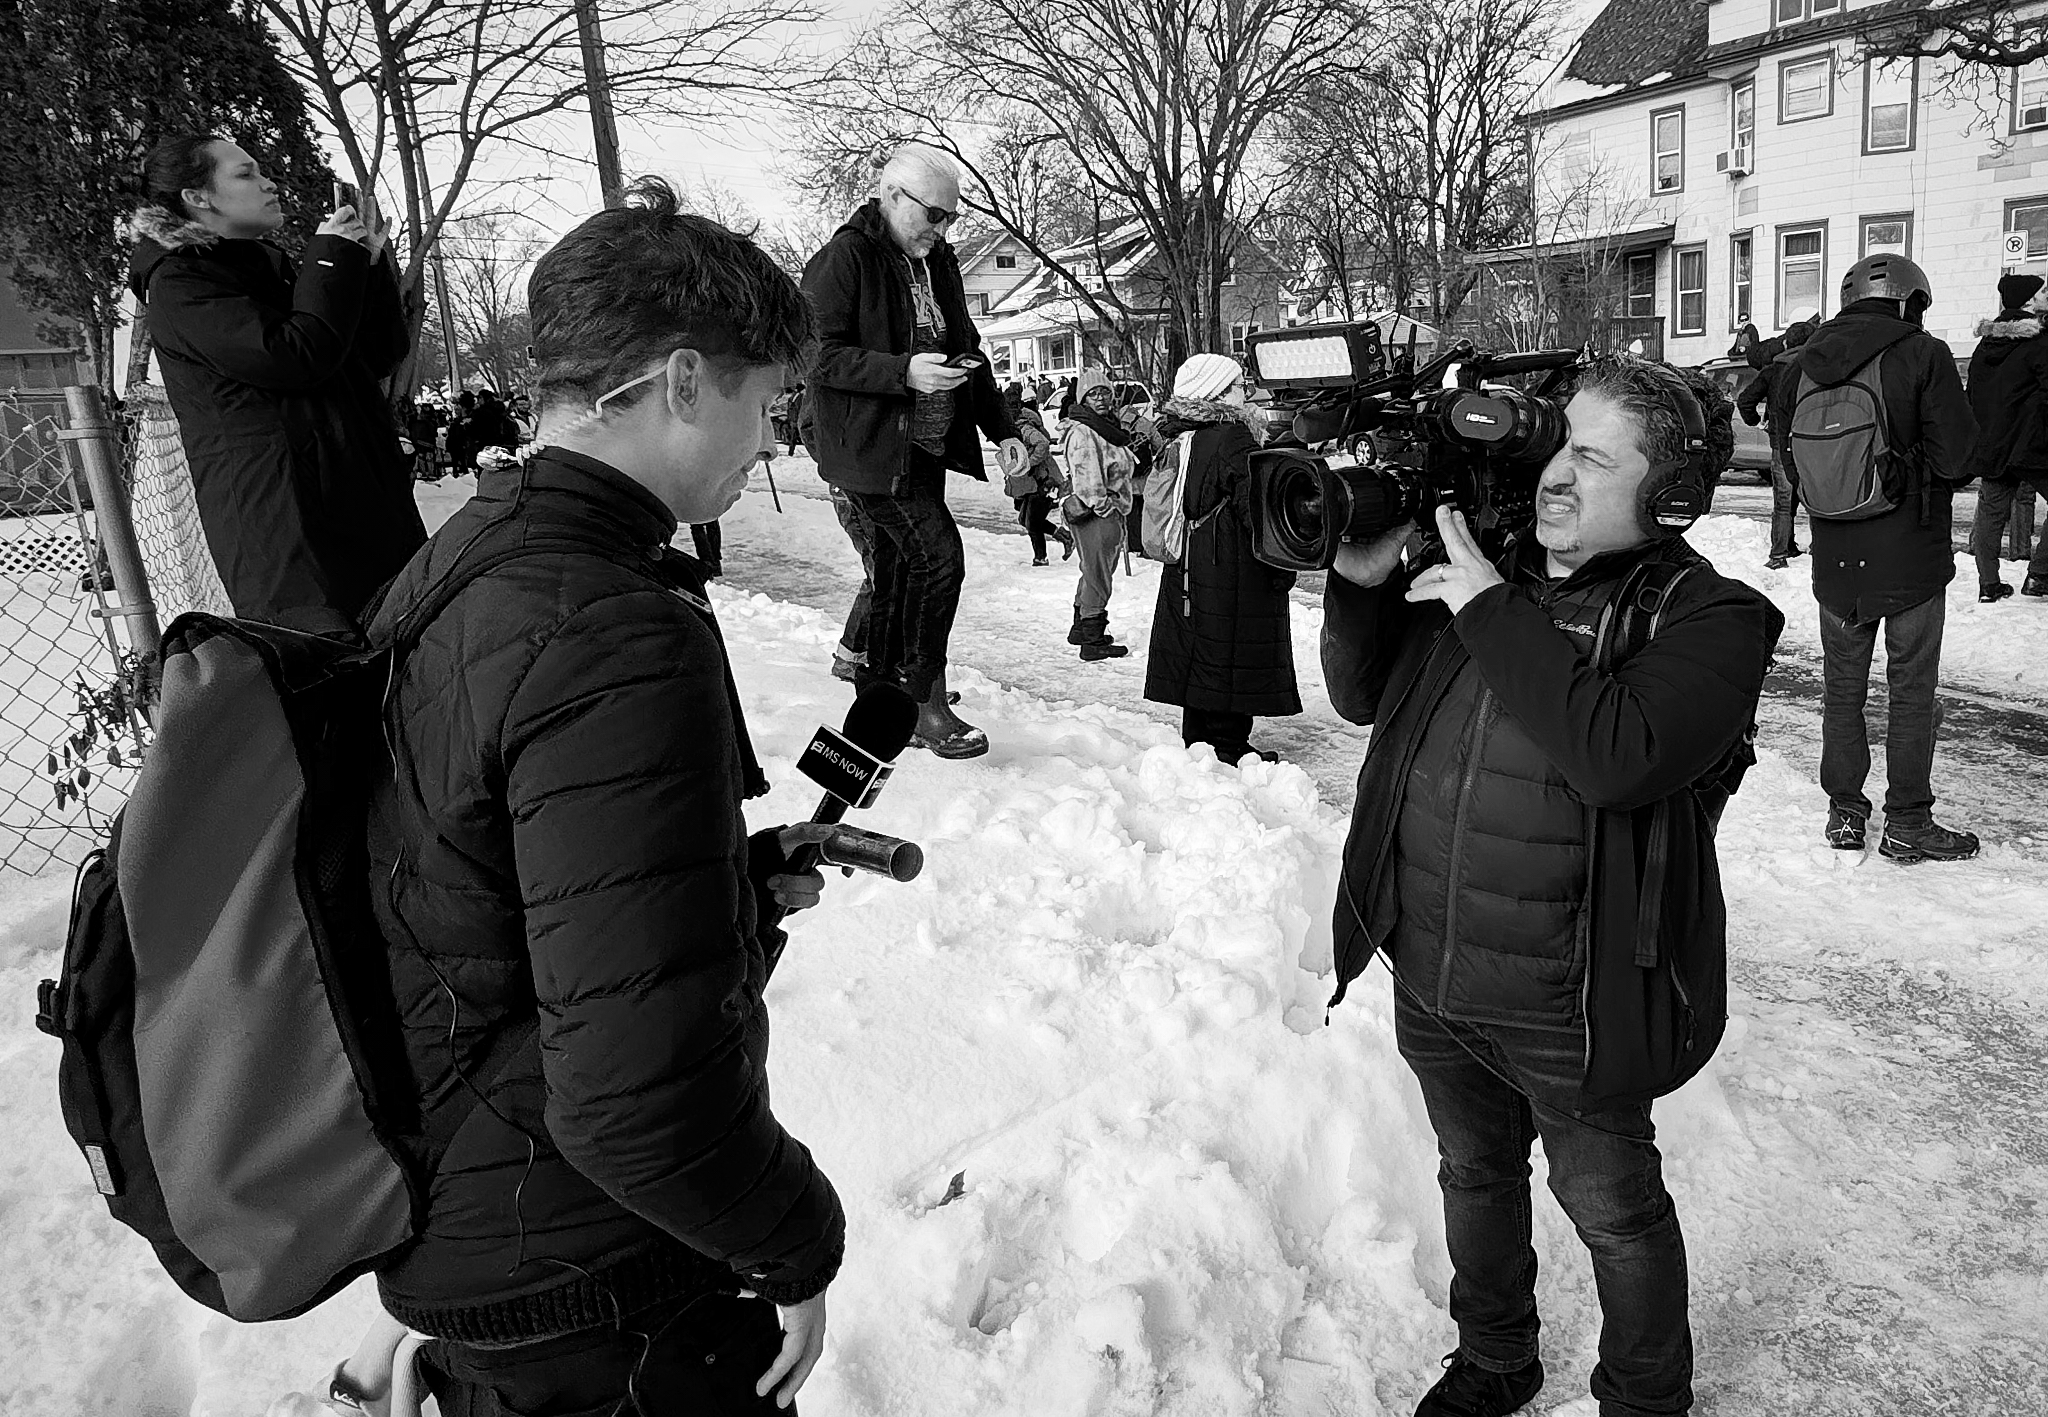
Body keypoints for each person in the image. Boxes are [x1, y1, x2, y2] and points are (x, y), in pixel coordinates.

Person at [365, 178, 843, 1416]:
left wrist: (723, 895)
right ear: (683, 381)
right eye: (766, 401)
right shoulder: (614, 628)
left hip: (465, 1194)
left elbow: (483, 884)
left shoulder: (471, 552)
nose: (773, 441)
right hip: (587, 1274)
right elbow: (636, 1101)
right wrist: (796, 1239)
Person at [1323, 354, 1782, 1417]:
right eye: (1553, 446)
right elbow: (1360, 700)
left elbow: (1616, 754)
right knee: (1471, 1176)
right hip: (1432, 964)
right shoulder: (1490, 570)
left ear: (1669, 495)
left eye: (1590, 456)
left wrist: (1487, 607)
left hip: (1574, 995)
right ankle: (1492, 1358)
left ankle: (1641, 1396)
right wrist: (1356, 586)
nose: (1554, 476)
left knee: (1611, 1208)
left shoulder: (1708, 619)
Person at [128, 134, 426, 632]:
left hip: (359, 502)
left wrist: (367, 269)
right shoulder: (180, 284)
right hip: (290, 533)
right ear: (197, 198)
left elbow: (375, 355)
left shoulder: (266, 267)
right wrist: (330, 259)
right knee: (337, 677)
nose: (268, 183)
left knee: (416, 658)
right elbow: (294, 356)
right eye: (245, 174)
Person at [801, 143, 1029, 759]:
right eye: (933, 214)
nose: (941, 228)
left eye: (951, 217)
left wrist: (1004, 428)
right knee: (940, 561)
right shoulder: (845, 259)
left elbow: (969, 347)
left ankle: (880, 689)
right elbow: (817, 356)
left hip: (923, 449)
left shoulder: (941, 262)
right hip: (870, 453)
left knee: (901, 571)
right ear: (893, 196)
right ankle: (923, 701)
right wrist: (902, 373)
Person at [1769, 254, 1981, 863]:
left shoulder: (1797, 365)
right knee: (1910, 690)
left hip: (1835, 556)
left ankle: (1844, 814)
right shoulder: (1922, 353)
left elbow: (1791, 468)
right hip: (1910, 555)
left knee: (1842, 690)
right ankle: (1908, 822)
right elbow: (1958, 458)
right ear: (1908, 299)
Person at [1142, 353, 1300, 764]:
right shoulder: (1233, 436)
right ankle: (1230, 746)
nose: (1243, 390)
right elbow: (1256, 508)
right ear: (1215, 393)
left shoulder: (1184, 433)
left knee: (1198, 646)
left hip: (1191, 560)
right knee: (1231, 648)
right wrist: (1279, 563)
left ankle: (1198, 738)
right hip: (1229, 560)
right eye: (1234, 385)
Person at [1964, 272, 2048, 601]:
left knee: (1990, 513)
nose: (2046, 296)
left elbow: (1974, 396)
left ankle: (1988, 585)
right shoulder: (2040, 341)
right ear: (2028, 301)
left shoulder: (1986, 345)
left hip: (1994, 444)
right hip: (2031, 442)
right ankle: (2040, 575)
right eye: (2042, 292)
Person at [1060, 368, 1136, 659]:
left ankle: (1081, 628)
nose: (1101, 398)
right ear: (1083, 398)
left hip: (1102, 511)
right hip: (1098, 514)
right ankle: (1092, 640)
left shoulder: (1104, 427)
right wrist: (1107, 509)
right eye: (1093, 393)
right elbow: (1088, 479)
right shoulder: (1084, 431)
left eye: (1105, 392)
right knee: (1099, 575)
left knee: (1091, 569)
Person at [1736, 314, 1814, 569]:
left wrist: (1755, 419)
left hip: (1781, 442)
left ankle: (1779, 553)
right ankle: (1819, 548)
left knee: (1783, 500)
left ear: (1786, 344)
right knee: (1816, 495)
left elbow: (1746, 399)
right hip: (1811, 441)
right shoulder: (1818, 369)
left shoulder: (1773, 370)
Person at [1004, 380, 1069, 566]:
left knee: (1032, 522)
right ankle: (1064, 536)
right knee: (1025, 519)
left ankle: (1041, 558)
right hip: (1030, 482)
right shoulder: (1016, 427)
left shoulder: (1025, 428)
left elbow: (1043, 444)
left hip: (1041, 479)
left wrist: (1029, 464)